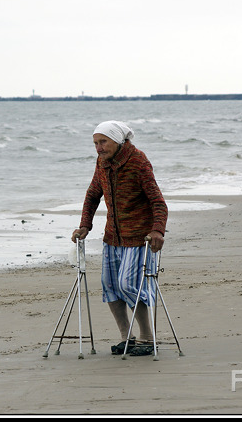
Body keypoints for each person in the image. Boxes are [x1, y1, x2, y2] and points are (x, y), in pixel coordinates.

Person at [71, 120, 168, 356]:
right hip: (113, 237)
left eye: (103, 142)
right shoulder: (102, 163)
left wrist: (158, 230)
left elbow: (158, 202)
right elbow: (93, 194)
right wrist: (85, 225)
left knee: (129, 285)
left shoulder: (138, 161)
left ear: (118, 140)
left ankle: (146, 338)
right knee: (110, 287)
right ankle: (127, 337)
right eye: (95, 143)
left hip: (139, 237)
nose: (99, 148)